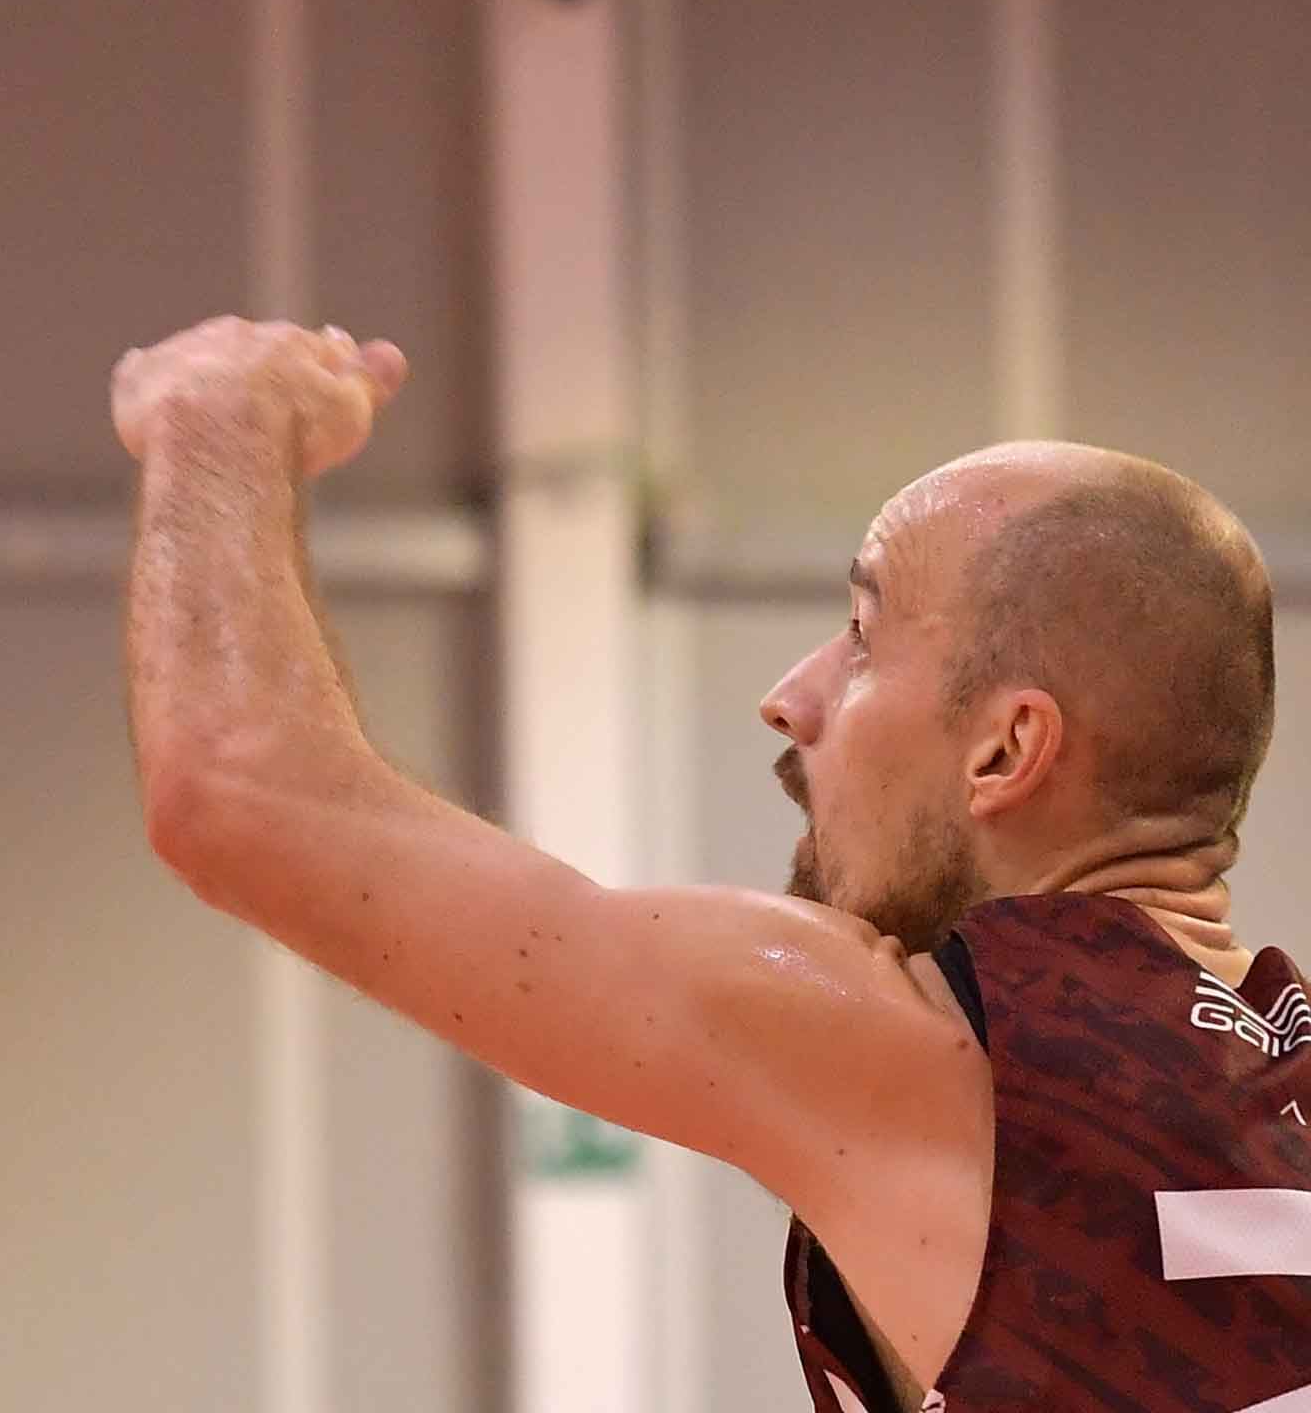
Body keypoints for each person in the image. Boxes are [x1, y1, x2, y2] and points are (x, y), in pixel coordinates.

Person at [115, 314, 1308, 1413]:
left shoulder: (918, 1050)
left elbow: (237, 792)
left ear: (1003, 749)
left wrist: (215, 417)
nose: (788, 698)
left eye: (859, 637)